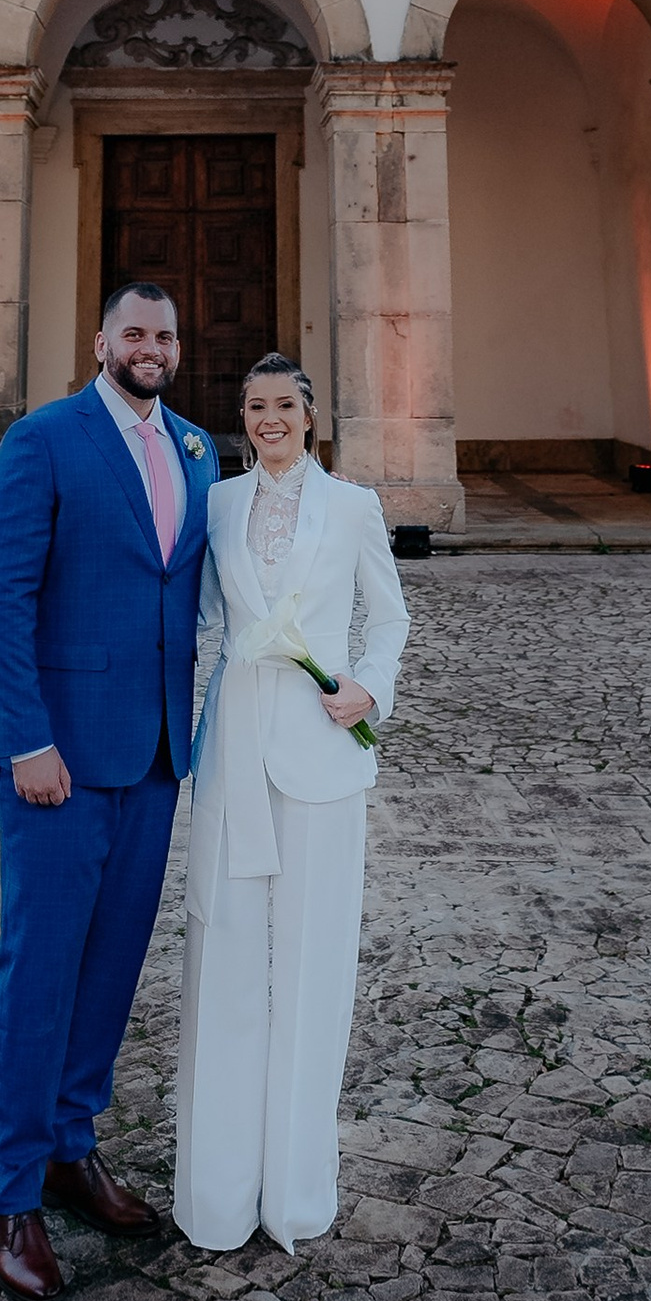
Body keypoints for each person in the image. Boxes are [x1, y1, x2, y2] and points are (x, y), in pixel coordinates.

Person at [0, 277, 216, 1301]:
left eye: (166, 334)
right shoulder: (44, 439)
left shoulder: (198, 449)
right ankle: (13, 1194)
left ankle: (74, 1147)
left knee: (113, 965)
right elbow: (2, 591)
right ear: (102, 342)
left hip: (155, 752)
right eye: (135, 332)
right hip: (58, 760)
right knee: (41, 969)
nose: (151, 347)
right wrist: (26, 738)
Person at [173, 353, 408, 1254]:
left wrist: (370, 687)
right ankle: (218, 1195)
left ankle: (297, 1193)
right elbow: (193, 615)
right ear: (241, 417)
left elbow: (389, 616)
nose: (269, 418)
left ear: (310, 414)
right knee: (224, 957)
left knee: (314, 962)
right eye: (254, 405)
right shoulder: (218, 504)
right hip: (233, 744)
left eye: (284, 404)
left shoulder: (352, 507)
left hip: (321, 749)